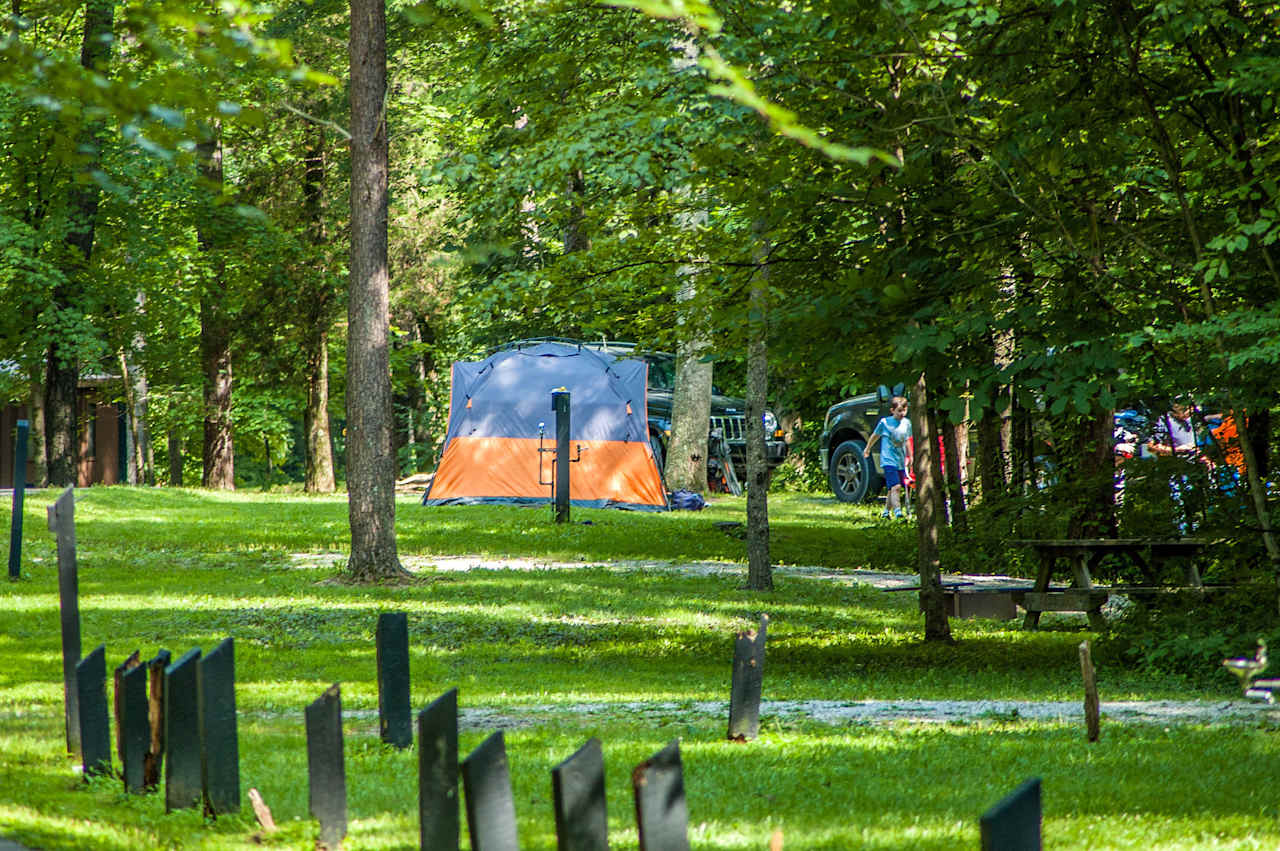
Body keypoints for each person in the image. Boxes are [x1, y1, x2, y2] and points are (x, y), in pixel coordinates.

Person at [1146, 398, 1203, 533]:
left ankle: (1196, 534)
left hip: (1195, 467)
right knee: (1178, 503)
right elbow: (1151, 447)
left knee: (1196, 504)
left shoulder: (1195, 421)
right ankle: (1181, 536)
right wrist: (1178, 450)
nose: (1185, 412)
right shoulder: (1165, 420)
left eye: (1187, 408)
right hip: (1173, 468)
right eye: (1180, 408)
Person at [864, 396, 912, 520]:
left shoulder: (907, 423)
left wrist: (910, 456)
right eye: (899, 411)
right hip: (888, 460)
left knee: (892, 488)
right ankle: (898, 513)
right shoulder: (885, 422)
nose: (902, 413)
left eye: (904, 410)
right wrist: (868, 448)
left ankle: (886, 512)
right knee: (896, 487)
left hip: (900, 461)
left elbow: (907, 440)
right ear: (892, 410)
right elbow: (875, 435)